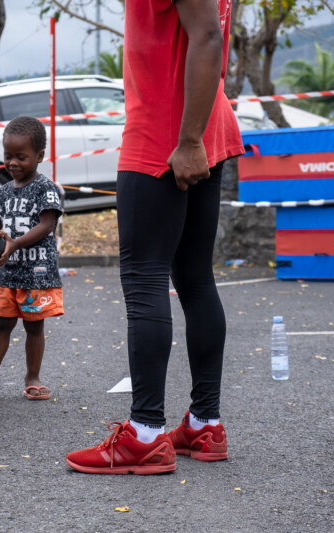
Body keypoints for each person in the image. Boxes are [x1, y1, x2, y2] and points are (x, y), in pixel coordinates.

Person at [66, 0, 244, 474]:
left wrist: (187, 141)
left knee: (145, 278)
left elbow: (208, 36)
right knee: (194, 277)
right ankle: (204, 423)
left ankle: (145, 434)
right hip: (201, 119)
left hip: (168, 132)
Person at [0, 116, 64, 402]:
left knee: (34, 326)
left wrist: (14, 245)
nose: (13, 162)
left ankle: (32, 378)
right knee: (2, 324)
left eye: (21, 157)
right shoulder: (1, 192)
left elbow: (47, 225)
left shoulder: (45, 188)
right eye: (8, 156)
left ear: (39, 156)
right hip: (9, 273)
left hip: (38, 273)